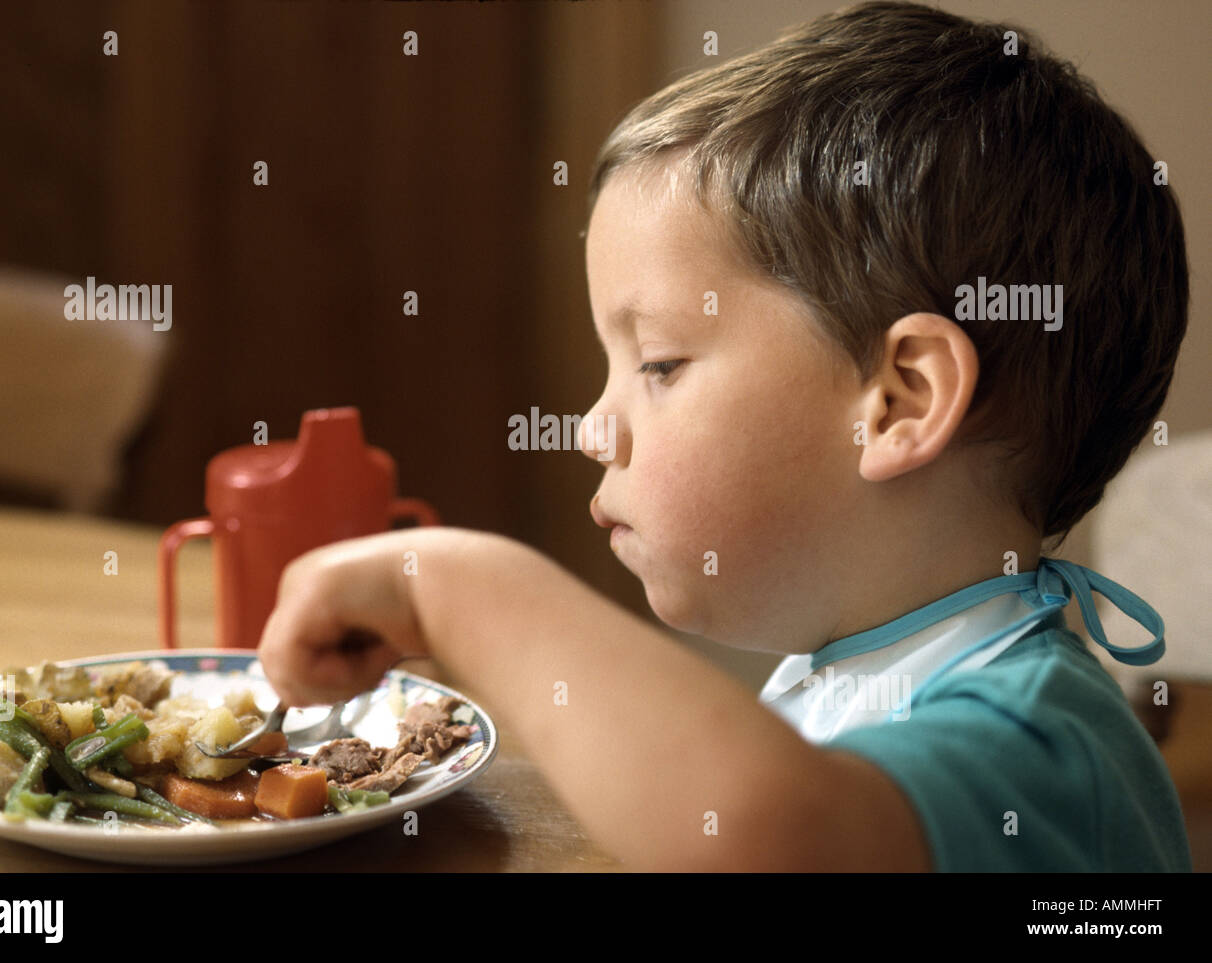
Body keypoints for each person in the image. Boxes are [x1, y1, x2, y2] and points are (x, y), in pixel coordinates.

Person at [257, 1, 1192, 871]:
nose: (591, 428)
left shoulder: (1041, 745)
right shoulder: (850, 670)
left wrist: (458, 588)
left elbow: (762, 834)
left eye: (658, 363)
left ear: (902, 399)